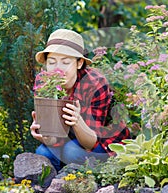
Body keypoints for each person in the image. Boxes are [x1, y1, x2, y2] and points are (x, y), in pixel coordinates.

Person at [30, 29, 131, 172]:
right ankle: (57, 185)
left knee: (72, 152)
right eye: (52, 62)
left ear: (79, 63)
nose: (57, 68)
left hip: (101, 142)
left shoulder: (94, 84)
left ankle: (91, 177)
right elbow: (54, 140)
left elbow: (91, 143)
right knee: (43, 153)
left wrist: (77, 120)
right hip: (66, 140)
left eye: (65, 62)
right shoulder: (44, 81)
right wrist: (45, 135)